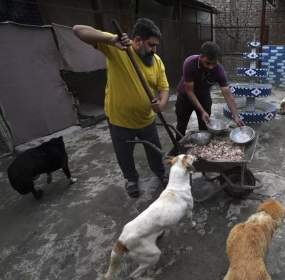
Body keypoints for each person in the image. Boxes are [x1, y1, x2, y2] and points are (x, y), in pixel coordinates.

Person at [73, 18, 169, 198]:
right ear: (138, 40)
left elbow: (164, 88)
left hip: (146, 119)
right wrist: (110, 40)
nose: (154, 49)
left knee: (155, 150)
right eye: (151, 45)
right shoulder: (118, 48)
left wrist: (161, 104)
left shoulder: (156, 61)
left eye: (156, 45)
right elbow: (78, 29)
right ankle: (131, 179)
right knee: (124, 153)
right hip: (120, 120)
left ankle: (160, 172)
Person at [175, 41, 244, 138]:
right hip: (185, 96)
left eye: (214, 63)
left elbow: (227, 94)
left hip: (204, 96)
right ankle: (178, 150)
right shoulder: (189, 63)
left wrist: (236, 116)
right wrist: (202, 111)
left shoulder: (219, 70)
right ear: (201, 56)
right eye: (208, 63)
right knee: (181, 126)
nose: (211, 67)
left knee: (205, 126)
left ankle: (202, 150)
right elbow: (189, 91)